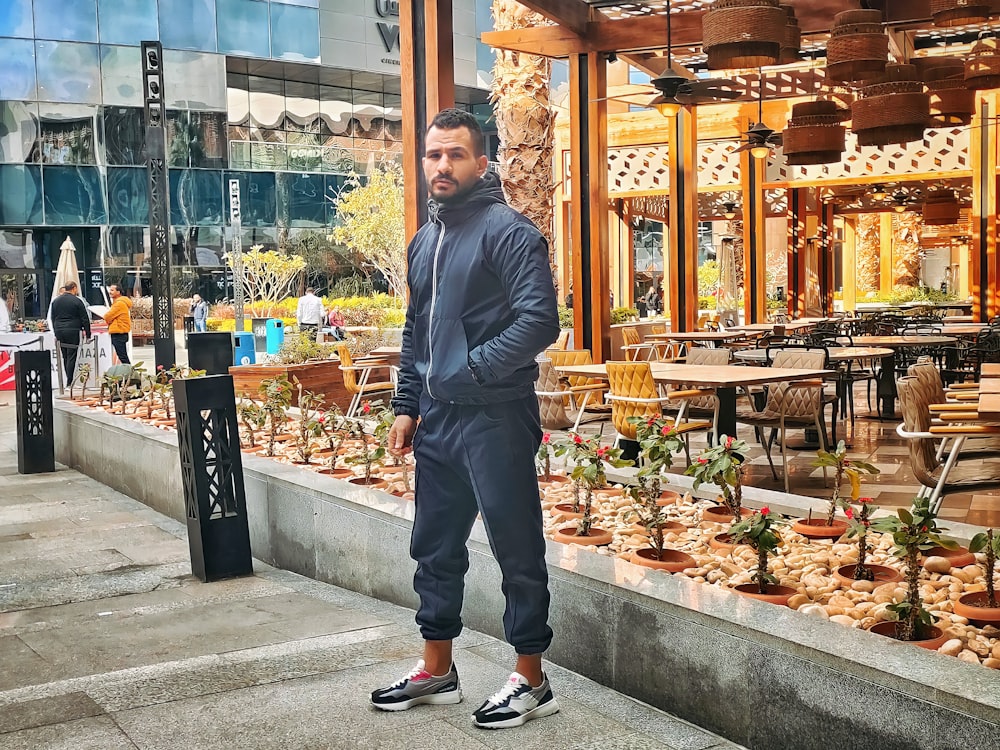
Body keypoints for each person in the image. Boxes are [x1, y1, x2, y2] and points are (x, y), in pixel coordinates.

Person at [371, 109, 560, 729]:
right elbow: (415, 333)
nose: (442, 166)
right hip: (437, 423)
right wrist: (406, 404)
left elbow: (539, 321)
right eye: (433, 155)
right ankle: (438, 669)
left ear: (482, 163)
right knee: (434, 546)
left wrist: (471, 370)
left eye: (455, 155)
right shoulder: (424, 240)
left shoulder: (511, 233)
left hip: (496, 417)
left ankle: (530, 677)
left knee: (515, 546)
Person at [50, 282, 91, 382]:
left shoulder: (55, 301)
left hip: (59, 330)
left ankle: (68, 379)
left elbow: (53, 317)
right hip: (73, 329)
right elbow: (85, 318)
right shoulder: (77, 301)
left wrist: (56, 331)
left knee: (65, 355)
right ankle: (69, 381)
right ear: (74, 288)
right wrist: (88, 333)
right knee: (72, 355)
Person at [103, 284, 132, 364]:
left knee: (122, 356)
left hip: (119, 332)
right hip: (121, 332)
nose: (110, 292)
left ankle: (131, 373)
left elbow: (108, 316)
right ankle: (130, 372)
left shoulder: (119, 304)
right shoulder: (119, 302)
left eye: (112, 290)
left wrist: (109, 321)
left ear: (118, 292)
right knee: (122, 355)